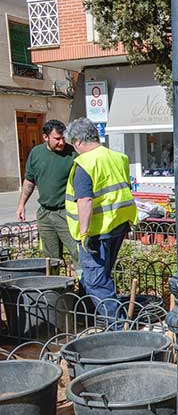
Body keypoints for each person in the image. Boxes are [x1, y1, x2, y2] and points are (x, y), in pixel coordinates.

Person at [64, 118, 137, 325]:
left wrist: (84, 233)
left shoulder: (85, 163)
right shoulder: (118, 157)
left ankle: (116, 327)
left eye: (72, 144)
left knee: (96, 281)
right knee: (100, 276)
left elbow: (85, 200)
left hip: (96, 231)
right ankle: (98, 318)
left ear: (78, 141)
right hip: (118, 225)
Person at [16, 120, 80, 271]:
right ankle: (54, 291)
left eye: (63, 138)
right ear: (45, 137)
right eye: (57, 139)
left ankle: (84, 291)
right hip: (45, 214)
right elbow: (29, 180)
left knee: (77, 253)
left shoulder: (72, 154)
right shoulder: (36, 153)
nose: (62, 142)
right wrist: (21, 205)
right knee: (50, 259)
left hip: (66, 212)